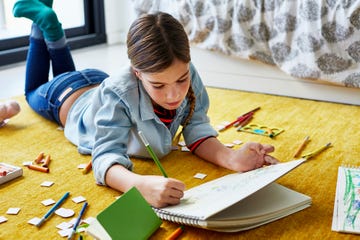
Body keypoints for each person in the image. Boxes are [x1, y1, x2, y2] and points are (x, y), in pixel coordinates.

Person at [13, 0, 278, 208]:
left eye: (181, 79)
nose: (174, 95)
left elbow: (196, 127)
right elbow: (105, 156)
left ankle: (48, 22)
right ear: (138, 74)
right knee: (32, 90)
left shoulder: (187, 71)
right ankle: (45, 24)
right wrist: (137, 185)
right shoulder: (118, 94)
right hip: (65, 98)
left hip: (98, 82)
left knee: (65, 74)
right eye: (159, 86)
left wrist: (232, 158)